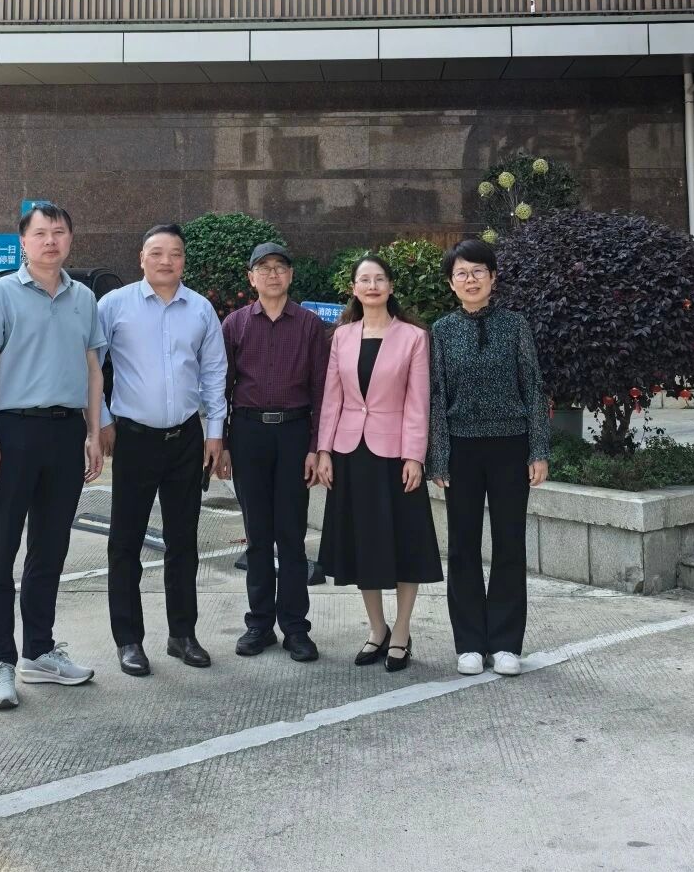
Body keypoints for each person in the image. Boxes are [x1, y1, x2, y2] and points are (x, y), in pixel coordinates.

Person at [0, 202, 106, 712]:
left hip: (66, 432)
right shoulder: (1, 293)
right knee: (0, 549)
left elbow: (93, 370)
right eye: (41, 233)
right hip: (14, 431)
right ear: (23, 242)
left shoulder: (84, 298)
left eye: (60, 232)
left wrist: (93, 432)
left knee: (50, 549)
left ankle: (39, 652)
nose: (51, 241)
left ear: (70, 239)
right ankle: (0, 664)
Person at [98, 224, 227, 677]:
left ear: (184, 260)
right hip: (133, 439)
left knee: (183, 541)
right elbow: (90, 364)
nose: (166, 261)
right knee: (125, 542)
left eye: (175, 253)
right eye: (156, 253)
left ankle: (182, 634)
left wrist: (215, 432)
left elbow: (214, 372)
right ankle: (128, 640)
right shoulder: (114, 306)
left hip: (186, 440)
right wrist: (102, 419)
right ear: (141, 258)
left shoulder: (201, 309)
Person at [426, 238, 550, 678]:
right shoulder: (441, 331)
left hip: (510, 446)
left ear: (493, 277)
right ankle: (470, 645)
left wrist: (538, 450)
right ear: (451, 283)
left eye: (479, 271)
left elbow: (533, 386)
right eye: (461, 273)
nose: (471, 279)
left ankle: (506, 643)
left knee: (510, 543)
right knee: (462, 546)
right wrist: (439, 456)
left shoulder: (515, 325)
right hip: (461, 449)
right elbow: (436, 396)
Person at [316, 254, 441, 672]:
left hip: (396, 456)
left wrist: (415, 456)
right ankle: (377, 628)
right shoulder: (342, 336)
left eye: (379, 279)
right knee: (362, 542)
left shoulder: (413, 337)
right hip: (350, 453)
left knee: (406, 543)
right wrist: (324, 450)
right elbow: (332, 398)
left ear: (390, 287)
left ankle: (401, 631)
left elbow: (418, 403)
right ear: (353, 288)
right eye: (364, 280)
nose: (372, 286)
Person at [220, 242, 330, 663]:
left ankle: (296, 628)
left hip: (294, 433)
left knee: (291, 534)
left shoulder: (309, 325)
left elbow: (321, 390)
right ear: (251, 278)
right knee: (258, 534)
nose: (272, 274)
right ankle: (260, 624)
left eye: (280, 267)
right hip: (248, 432)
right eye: (263, 268)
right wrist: (222, 442)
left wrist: (316, 447)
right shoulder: (235, 324)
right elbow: (221, 386)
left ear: (290, 275)